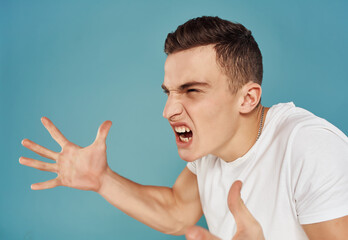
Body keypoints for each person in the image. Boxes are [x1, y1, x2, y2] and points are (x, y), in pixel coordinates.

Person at [19, 16, 348, 240]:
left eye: (192, 90)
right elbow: (177, 210)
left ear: (247, 98)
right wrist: (102, 180)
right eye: (170, 92)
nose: (168, 111)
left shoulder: (309, 148)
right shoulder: (210, 147)